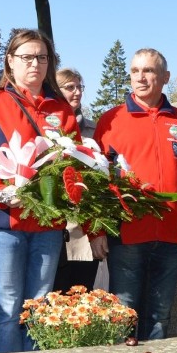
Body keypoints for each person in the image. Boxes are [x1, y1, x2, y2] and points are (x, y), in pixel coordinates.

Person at [0, 29, 80, 353]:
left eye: (42, 57)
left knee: (39, 309)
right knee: (8, 308)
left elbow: (74, 165)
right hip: (6, 225)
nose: (35, 64)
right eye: (27, 57)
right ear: (10, 62)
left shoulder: (62, 111)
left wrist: (69, 192)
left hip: (48, 226)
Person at [90, 48, 177, 341]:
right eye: (135, 71)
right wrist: (96, 231)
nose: (141, 77)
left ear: (165, 77)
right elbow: (95, 181)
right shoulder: (112, 120)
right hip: (127, 233)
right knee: (123, 313)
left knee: (160, 314)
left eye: (149, 71)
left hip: (169, 235)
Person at [52, 67, 102, 291]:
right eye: (69, 87)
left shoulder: (94, 131)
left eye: (80, 87)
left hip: (85, 231)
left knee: (82, 301)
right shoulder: (46, 130)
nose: (77, 92)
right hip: (52, 229)